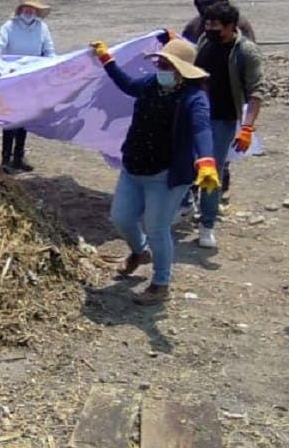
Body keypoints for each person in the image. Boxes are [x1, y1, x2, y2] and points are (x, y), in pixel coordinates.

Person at [92, 36, 219, 305]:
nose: (159, 68)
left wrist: (206, 160)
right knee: (121, 218)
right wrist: (107, 60)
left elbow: (201, 128)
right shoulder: (151, 85)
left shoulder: (193, 98)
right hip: (134, 167)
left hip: (165, 176)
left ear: (181, 71)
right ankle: (140, 252)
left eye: (165, 65)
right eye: (160, 62)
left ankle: (161, 284)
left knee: (156, 227)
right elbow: (127, 85)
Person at [190, 1, 264, 251]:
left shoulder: (246, 52)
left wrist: (247, 128)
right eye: (207, 24)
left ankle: (207, 223)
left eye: (216, 26)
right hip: (195, 113)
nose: (210, 30)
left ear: (231, 26)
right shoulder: (204, 42)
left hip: (223, 118)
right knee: (184, 159)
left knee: (212, 170)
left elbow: (256, 92)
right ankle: (185, 204)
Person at [0, 0, 56, 173]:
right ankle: (5, 159)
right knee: (10, 118)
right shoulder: (9, 27)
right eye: (26, 8)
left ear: (36, 10)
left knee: (25, 119)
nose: (29, 11)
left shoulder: (42, 28)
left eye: (32, 8)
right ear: (21, 10)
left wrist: (54, 65)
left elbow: (49, 51)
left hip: (32, 79)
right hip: (12, 78)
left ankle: (18, 157)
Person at [179, 0, 257, 44]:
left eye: (210, 4)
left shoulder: (239, 24)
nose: (206, 9)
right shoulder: (193, 26)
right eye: (202, 5)